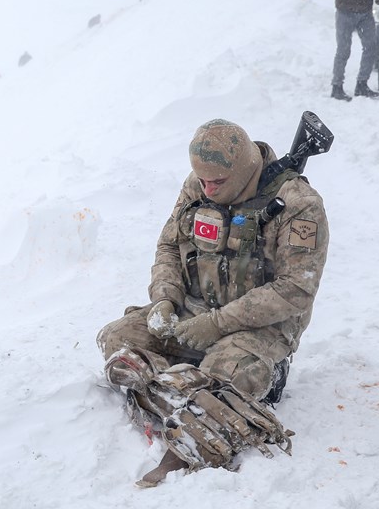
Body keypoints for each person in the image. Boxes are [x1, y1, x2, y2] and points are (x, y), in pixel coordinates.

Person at [97, 119, 329, 486]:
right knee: (117, 338)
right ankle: (187, 389)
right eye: (201, 180)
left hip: (258, 326)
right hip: (193, 309)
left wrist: (218, 324)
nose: (206, 189)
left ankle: (198, 397)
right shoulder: (198, 186)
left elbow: (295, 290)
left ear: (243, 171)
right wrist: (164, 299)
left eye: (217, 182)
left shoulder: (299, 205)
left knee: (227, 378)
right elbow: (169, 246)